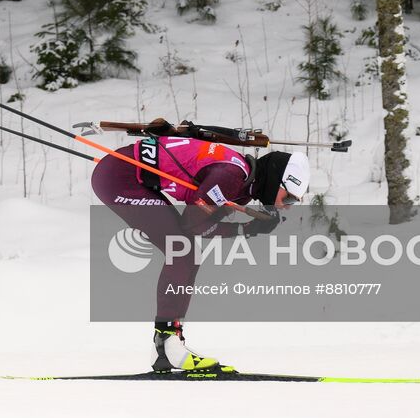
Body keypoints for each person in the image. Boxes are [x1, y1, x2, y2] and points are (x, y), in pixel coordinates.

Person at [91, 130, 311, 373]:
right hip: (120, 177)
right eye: (288, 199)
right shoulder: (231, 176)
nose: (287, 207)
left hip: (128, 175)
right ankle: (167, 344)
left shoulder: (242, 186)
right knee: (182, 251)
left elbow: (202, 225)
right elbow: (194, 225)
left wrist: (247, 228)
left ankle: (165, 347)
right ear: (276, 179)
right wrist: (244, 229)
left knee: (187, 252)